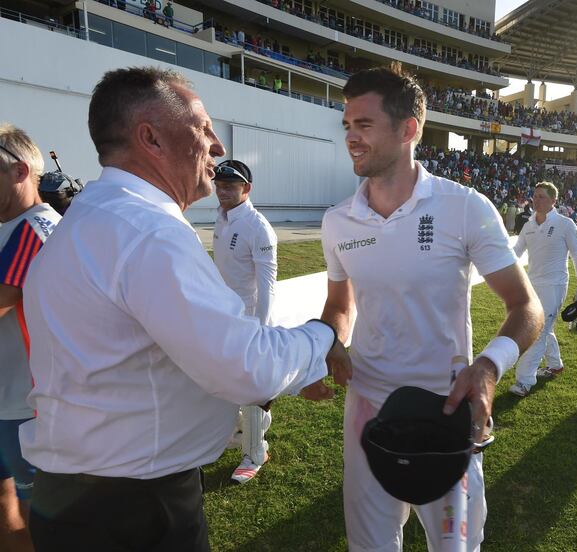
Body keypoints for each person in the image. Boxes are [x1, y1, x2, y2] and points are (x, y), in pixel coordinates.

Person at [19, 67, 344, 551]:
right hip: (132, 507)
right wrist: (327, 335)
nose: (217, 145)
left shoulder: (92, 216)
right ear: (150, 137)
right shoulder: (148, 229)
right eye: (203, 128)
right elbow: (244, 367)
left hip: (82, 492)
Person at [320, 67, 543, 552]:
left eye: (364, 125)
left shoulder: (463, 206)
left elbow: (526, 305)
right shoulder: (337, 221)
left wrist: (488, 367)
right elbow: (340, 304)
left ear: (409, 130)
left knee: (455, 547)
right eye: (347, 126)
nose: (351, 139)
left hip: (445, 409)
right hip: (367, 411)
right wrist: (329, 344)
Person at [0, 124, 62, 552]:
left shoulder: (35, 228)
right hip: (9, 401)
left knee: (32, 514)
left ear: (21, 171)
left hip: (24, 406)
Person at [212, 159, 278, 484]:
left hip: (250, 322)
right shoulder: (222, 218)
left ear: (246, 189)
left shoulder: (257, 227)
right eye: (219, 185)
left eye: (230, 186)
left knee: (253, 389)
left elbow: (268, 285)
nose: (222, 191)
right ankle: (241, 433)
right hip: (224, 319)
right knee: (225, 382)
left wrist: (262, 331)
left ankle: (256, 452)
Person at [509, 181, 577, 397]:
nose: (537, 200)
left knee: (537, 331)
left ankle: (524, 381)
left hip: (554, 286)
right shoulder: (529, 225)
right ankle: (555, 364)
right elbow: (515, 252)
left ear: (554, 201)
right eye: (535, 196)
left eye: (542, 196)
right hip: (531, 285)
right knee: (547, 328)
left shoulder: (565, 224)